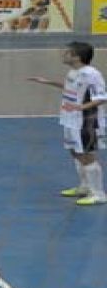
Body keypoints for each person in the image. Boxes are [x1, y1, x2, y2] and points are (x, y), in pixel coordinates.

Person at [28, 42, 107, 206]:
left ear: (77, 57)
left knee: (87, 155)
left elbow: (102, 97)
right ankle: (85, 187)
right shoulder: (73, 72)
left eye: (67, 53)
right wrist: (47, 82)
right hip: (70, 118)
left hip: (86, 121)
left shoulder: (92, 74)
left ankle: (99, 194)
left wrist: (80, 107)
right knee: (75, 152)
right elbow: (71, 88)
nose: (64, 55)